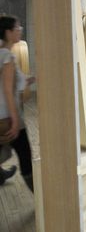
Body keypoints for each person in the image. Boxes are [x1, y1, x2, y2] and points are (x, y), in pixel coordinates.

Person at [0, 15, 34, 192]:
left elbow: (16, 83)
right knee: (25, 156)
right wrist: (15, 120)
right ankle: (41, 200)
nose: (20, 29)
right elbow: (7, 90)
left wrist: (35, 78)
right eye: (17, 27)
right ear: (8, 32)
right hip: (8, 118)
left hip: (2, 116)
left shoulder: (2, 53)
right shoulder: (7, 57)